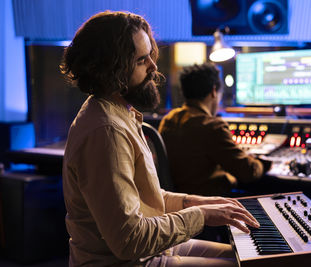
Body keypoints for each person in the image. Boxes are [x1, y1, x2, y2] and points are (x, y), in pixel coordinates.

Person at [60, 10, 260, 267]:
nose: (154, 66)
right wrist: (201, 216)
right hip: (126, 261)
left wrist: (195, 202)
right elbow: (129, 240)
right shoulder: (106, 131)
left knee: (245, 258)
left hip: (147, 253)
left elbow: (145, 201)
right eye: (142, 60)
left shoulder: (121, 113)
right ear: (113, 70)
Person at [158, 63, 272, 196]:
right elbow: (248, 172)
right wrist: (262, 163)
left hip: (176, 203)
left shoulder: (168, 120)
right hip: (208, 204)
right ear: (213, 91)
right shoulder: (212, 126)